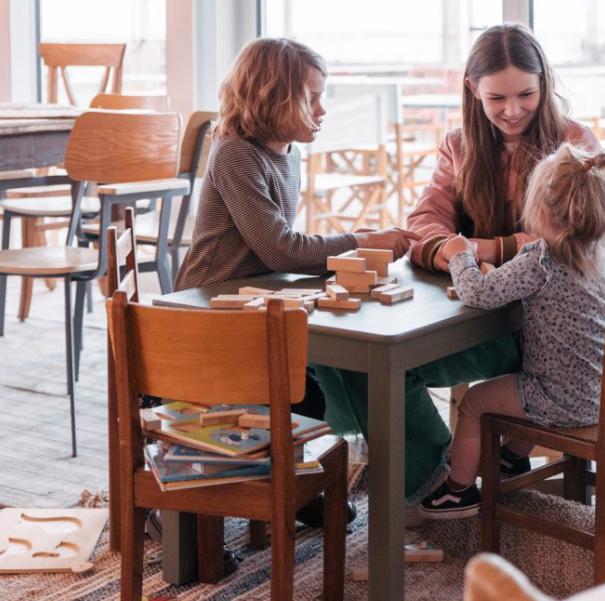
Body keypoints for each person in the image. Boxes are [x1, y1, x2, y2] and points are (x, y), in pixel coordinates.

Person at [313, 23, 605, 514]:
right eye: (497, 98)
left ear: (545, 84)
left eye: (526, 94)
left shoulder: (573, 144)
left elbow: (588, 235)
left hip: (535, 333)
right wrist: (449, 248)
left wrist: (485, 248)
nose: (512, 111)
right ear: (473, 90)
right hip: (479, 318)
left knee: (379, 369)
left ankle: (449, 478)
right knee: (362, 362)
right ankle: (439, 476)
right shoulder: (459, 145)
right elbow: (423, 224)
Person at [171, 38, 425, 532]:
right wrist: (360, 239)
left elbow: (285, 254)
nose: (322, 109)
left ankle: (292, 485)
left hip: (254, 301)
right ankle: (189, 511)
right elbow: (283, 249)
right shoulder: (235, 155)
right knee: (293, 394)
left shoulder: (287, 154)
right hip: (208, 307)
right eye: (312, 97)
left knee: (305, 393)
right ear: (272, 96)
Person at [420, 146, 605, 518]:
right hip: (600, 395)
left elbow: (478, 293)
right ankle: (512, 459)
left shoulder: (541, 259)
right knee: (522, 386)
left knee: (476, 402)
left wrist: (460, 252)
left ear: (540, 211)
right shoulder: (600, 255)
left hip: (557, 399)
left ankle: (457, 492)